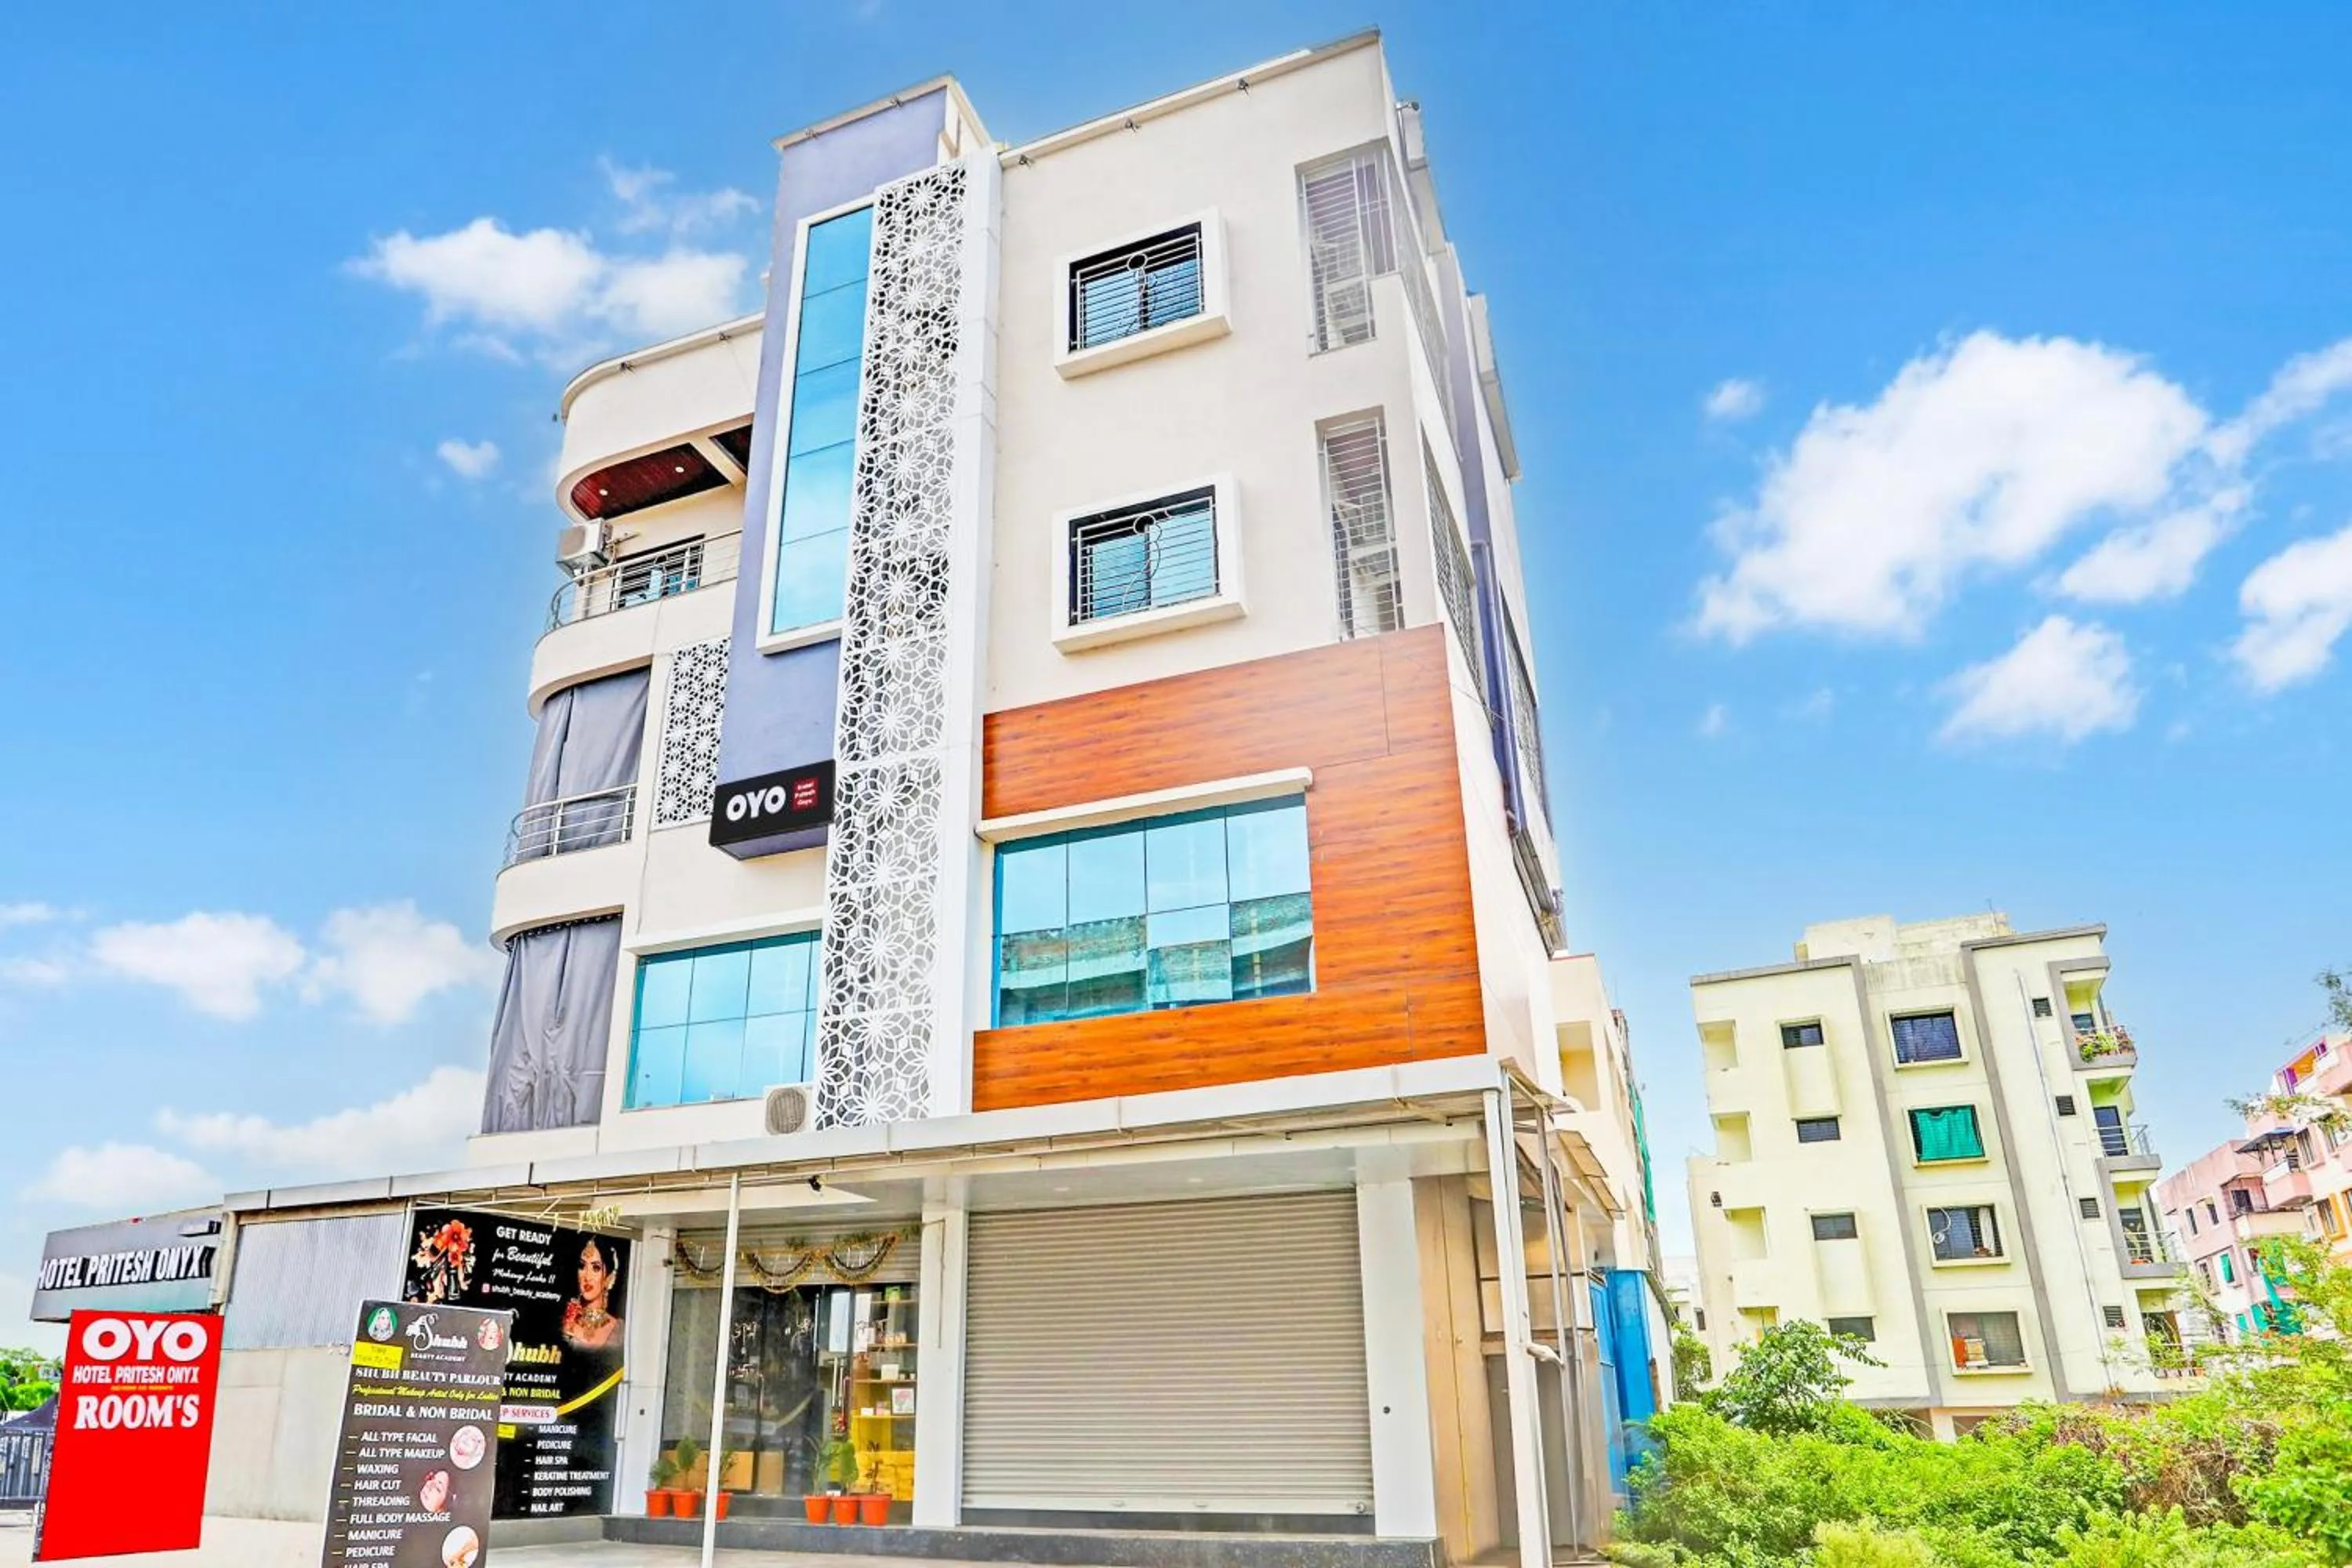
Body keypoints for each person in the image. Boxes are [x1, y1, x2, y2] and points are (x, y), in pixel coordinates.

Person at [561, 1236, 625, 1351]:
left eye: (596, 1268)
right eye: (582, 1266)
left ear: (609, 1278)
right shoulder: (565, 1320)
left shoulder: (620, 1330)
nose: (587, 1276)